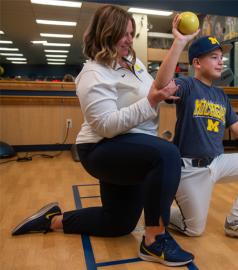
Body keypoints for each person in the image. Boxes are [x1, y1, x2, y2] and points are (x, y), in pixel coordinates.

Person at [11, 5, 199, 267]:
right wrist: (151, 101)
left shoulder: (133, 63)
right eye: (122, 33)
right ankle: (154, 241)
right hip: (102, 149)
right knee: (166, 153)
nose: (128, 39)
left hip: (132, 148)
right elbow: (107, 126)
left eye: (131, 33)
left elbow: (156, 87)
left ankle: (52, 220)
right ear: (104, 33)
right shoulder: (92, 74)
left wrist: (179, 42)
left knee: (118, 223)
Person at [168, 36, 238, 244]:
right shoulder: (187, 85)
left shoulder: (221, 96)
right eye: (214, 57)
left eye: (221, 57)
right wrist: (178, 43)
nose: (221, 62)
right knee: (194, 230)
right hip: (191, 168)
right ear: (197, 63)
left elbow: (236, 125)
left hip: (218, 162)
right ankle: (159, 209)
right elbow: (164, 85)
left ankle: (237, 221)